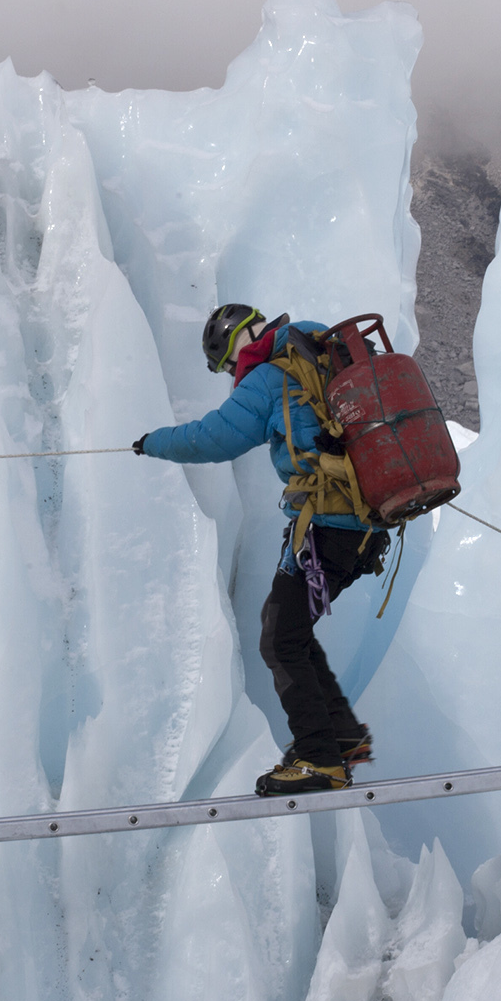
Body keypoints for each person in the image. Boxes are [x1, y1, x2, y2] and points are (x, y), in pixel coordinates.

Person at [134, 303, 387, 796]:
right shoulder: (319, 352)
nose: (232, 373)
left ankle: (321, 759)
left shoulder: (270, 376)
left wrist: (153, 443)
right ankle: (340, 739)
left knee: (280, 638)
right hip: (365, 526)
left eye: (228, 363)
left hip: (328, 524)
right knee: (291, 630)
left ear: (240, 344)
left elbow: (214, 437)